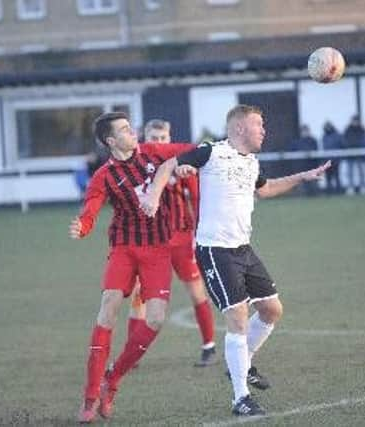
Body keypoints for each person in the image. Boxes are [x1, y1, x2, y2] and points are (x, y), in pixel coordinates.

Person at [140, 105, 331, 417]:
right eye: (259, 124)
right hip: (215, 250)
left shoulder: (251, 162)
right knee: (238, 318)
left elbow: (266, 190)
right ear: (240, 128)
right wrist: (153, 196)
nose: (264, 130)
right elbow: (168, 165)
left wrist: (303, 177)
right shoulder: (210, 152)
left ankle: (242, 365)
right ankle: (240, 397)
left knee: (272, 310)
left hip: (243, 249)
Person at [69, 111, 194, 423]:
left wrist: (199, 156)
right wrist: (82, 227)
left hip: (157, 250)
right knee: (108, 307)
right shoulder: (103, 176)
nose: (133, 131)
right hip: (124, 248)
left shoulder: (152, 152)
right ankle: (89, 398)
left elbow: (187, 149)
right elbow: (90, 209)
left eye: (130, 126)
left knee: (154, 320)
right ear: (111, 141)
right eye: (125, 129)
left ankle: (113, 380)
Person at [127, 118, 217, 367]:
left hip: (180, 237)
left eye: (162, 138)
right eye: (153, 138)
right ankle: (131, 353)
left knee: (195, 290)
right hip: (149, 241)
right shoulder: (136, 164)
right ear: (144, 138)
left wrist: (199, 235)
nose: (157, 143)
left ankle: (208, 345)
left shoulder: (181, 162)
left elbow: (197, 198)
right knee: (139, 295)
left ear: (169, 138)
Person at [289, 125, 320, 196]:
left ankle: (315, 195)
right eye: (303, 131)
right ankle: (302, 195)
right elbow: (292, 151)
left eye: (306, 131)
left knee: (313, 182)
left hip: (311, 166)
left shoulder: (313, 140)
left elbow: (315, 151)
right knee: (302, 183)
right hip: (301, 166)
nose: (305, 133)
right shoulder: (297, 141)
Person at [343, 115, 365, 195]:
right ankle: (350, 187)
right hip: (350, 154)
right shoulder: (347, 130)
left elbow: (364, 140)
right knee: (349, 172)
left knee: (361, 171)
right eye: (354, 120)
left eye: (356, 121)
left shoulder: (362, 129)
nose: (355, 122)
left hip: (360, 153)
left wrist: (357, 146)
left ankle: (363, 186)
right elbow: (345, 141)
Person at [321, 121, 343, 193]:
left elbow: (341, 146)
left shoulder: (337, 136)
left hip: (335, 160)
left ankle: (338, 191)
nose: (328, 128)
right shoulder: (324, 136)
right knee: (328, 178)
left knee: (337, 176)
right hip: (327, 160)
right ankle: (329, 191)